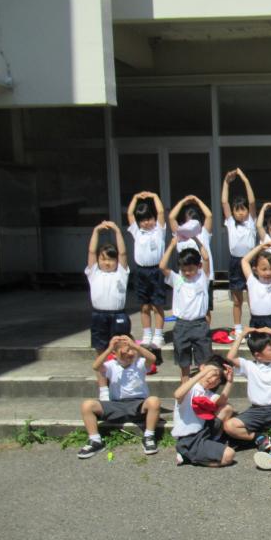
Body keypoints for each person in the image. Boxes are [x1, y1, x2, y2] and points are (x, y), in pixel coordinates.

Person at [223, 327, 271, 471]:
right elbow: (230, 357)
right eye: (270, 349)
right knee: (229, 426)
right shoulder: (249, 366)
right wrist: (242, 335)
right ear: (258, 355)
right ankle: (260, 438)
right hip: (255, 411)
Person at [77, 335, 161, 459]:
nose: (130, 353)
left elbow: (152, 358)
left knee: (154, 401)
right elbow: (96, 366)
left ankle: (149, 436)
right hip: (116, 404)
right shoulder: (111, 365)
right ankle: (95, 440)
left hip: (138, 404)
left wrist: (135, 346)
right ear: (114, 354)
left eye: (132, 350)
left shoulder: (139, 363)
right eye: (125, 351)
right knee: (87, 405)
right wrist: (109, 348)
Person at [160, 236, 212, 384]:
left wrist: (196, 239)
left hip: (200, 324)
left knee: (204, 362)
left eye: (190, 269)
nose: (187, 273)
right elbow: (162, 266)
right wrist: (171, 246)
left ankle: (203, 389)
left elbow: (206, 258)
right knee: (184, 363)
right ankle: (185, 387)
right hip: (181, 325)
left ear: (198, 266)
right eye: (184, 270)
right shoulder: (177, 279)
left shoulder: (202, 278)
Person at [172, 356, 236, 467]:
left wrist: (229, 381)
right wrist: (202, 373)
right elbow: (177, 395)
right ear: (203, 367)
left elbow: (221, 402)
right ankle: (187, 455)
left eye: (218, 379)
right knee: (229, 455)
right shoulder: (190, 388)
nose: (214, 380)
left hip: (203, 432)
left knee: (227, 408)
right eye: (214, 374)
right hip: (189, 439)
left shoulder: (207, 392)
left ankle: (206, 447)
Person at [221, 168, 257, 339]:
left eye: (243, 209)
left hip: (250, 262)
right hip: (235, 262)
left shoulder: (251, 221)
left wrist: (245, 180)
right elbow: (224, 202)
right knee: (237, 300)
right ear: (233, 212)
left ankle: (254, 326)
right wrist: (226, 182)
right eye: (237, 210)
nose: (241, 212)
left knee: (253, 297)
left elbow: (252, 201)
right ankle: (237, 328)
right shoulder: (230, 222)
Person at [127, 191, 166, 348]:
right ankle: (147, 334)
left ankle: (158, 335)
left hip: (156, 271)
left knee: (157, 305)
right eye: (143, 220)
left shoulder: (159, 230)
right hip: (141, 272)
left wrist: (154, 196)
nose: (146, 222)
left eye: (149, 219)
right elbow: (129, 213)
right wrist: (135, 197)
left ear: (154, 219)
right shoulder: (137, 232)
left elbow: (161, 211)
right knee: (144, 306)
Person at [169, 195, 215, 324]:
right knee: (185, 304)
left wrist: (198, 200)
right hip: (185, 276)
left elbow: (209, 215)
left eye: (194, 221)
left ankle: (204, 331)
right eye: (188, 221)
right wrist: (183, 201)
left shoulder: (203, 232)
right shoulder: (179, 234)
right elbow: (171, 217)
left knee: (205, 308)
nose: (191, 225)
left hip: (202, 276)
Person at [86, 221, 131, 352]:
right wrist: (96, 231)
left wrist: (117, 231)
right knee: (100, 349)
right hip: (99, 315)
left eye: (111, 259)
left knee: (121, 349)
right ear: (98, 260)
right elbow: (91, 251)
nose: (107, 263)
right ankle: (102, 366)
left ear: (116, 261)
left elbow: (123, 253)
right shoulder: (94, 272)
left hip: (118, 315)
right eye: (103, 259)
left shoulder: (121, 273)